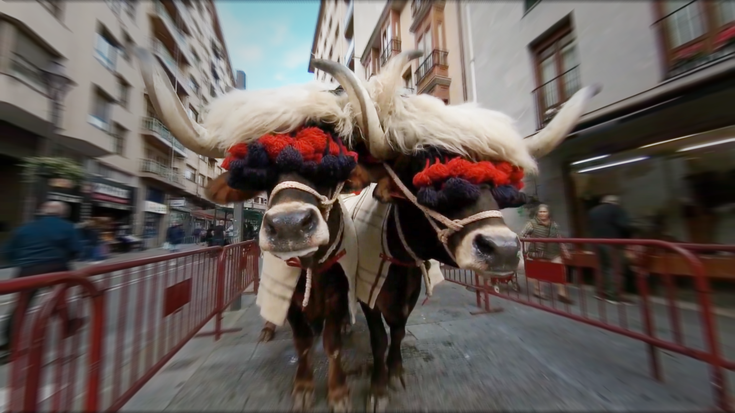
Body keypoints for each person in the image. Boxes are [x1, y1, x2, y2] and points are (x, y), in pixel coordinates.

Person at [0, 201, 83, 363]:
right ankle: (67, 326)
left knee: (21, 307)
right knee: (60, 300)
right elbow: (77, 250)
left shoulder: (26, 228)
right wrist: (65, 259)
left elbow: (7, 252)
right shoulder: (67, 227)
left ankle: (10, 344)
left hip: (28, 271)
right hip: (56, 269)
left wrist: (23, 262)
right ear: (62, 213)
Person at [520, 204, 574, 304]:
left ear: (548, 213)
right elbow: (522, 235)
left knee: (560, 270)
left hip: (553, 252)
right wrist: (528, 243)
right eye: (540, 212)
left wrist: (565, 250)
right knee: (540, 272)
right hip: (538, 252)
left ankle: (562, 294)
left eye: (544, 211)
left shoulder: (554, 224)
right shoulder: (531, 224)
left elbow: (558, 237)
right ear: (537, 213)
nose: (542, 214)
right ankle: (538, 291)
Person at [588, 195, 634, 304]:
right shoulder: (615, 209)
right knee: (615, 267)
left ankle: (600, 292)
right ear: (615, 202)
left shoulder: (593, 211)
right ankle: (613, 295)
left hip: (596, 243)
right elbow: (625, 225)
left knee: (602, 267)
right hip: (612, 242)